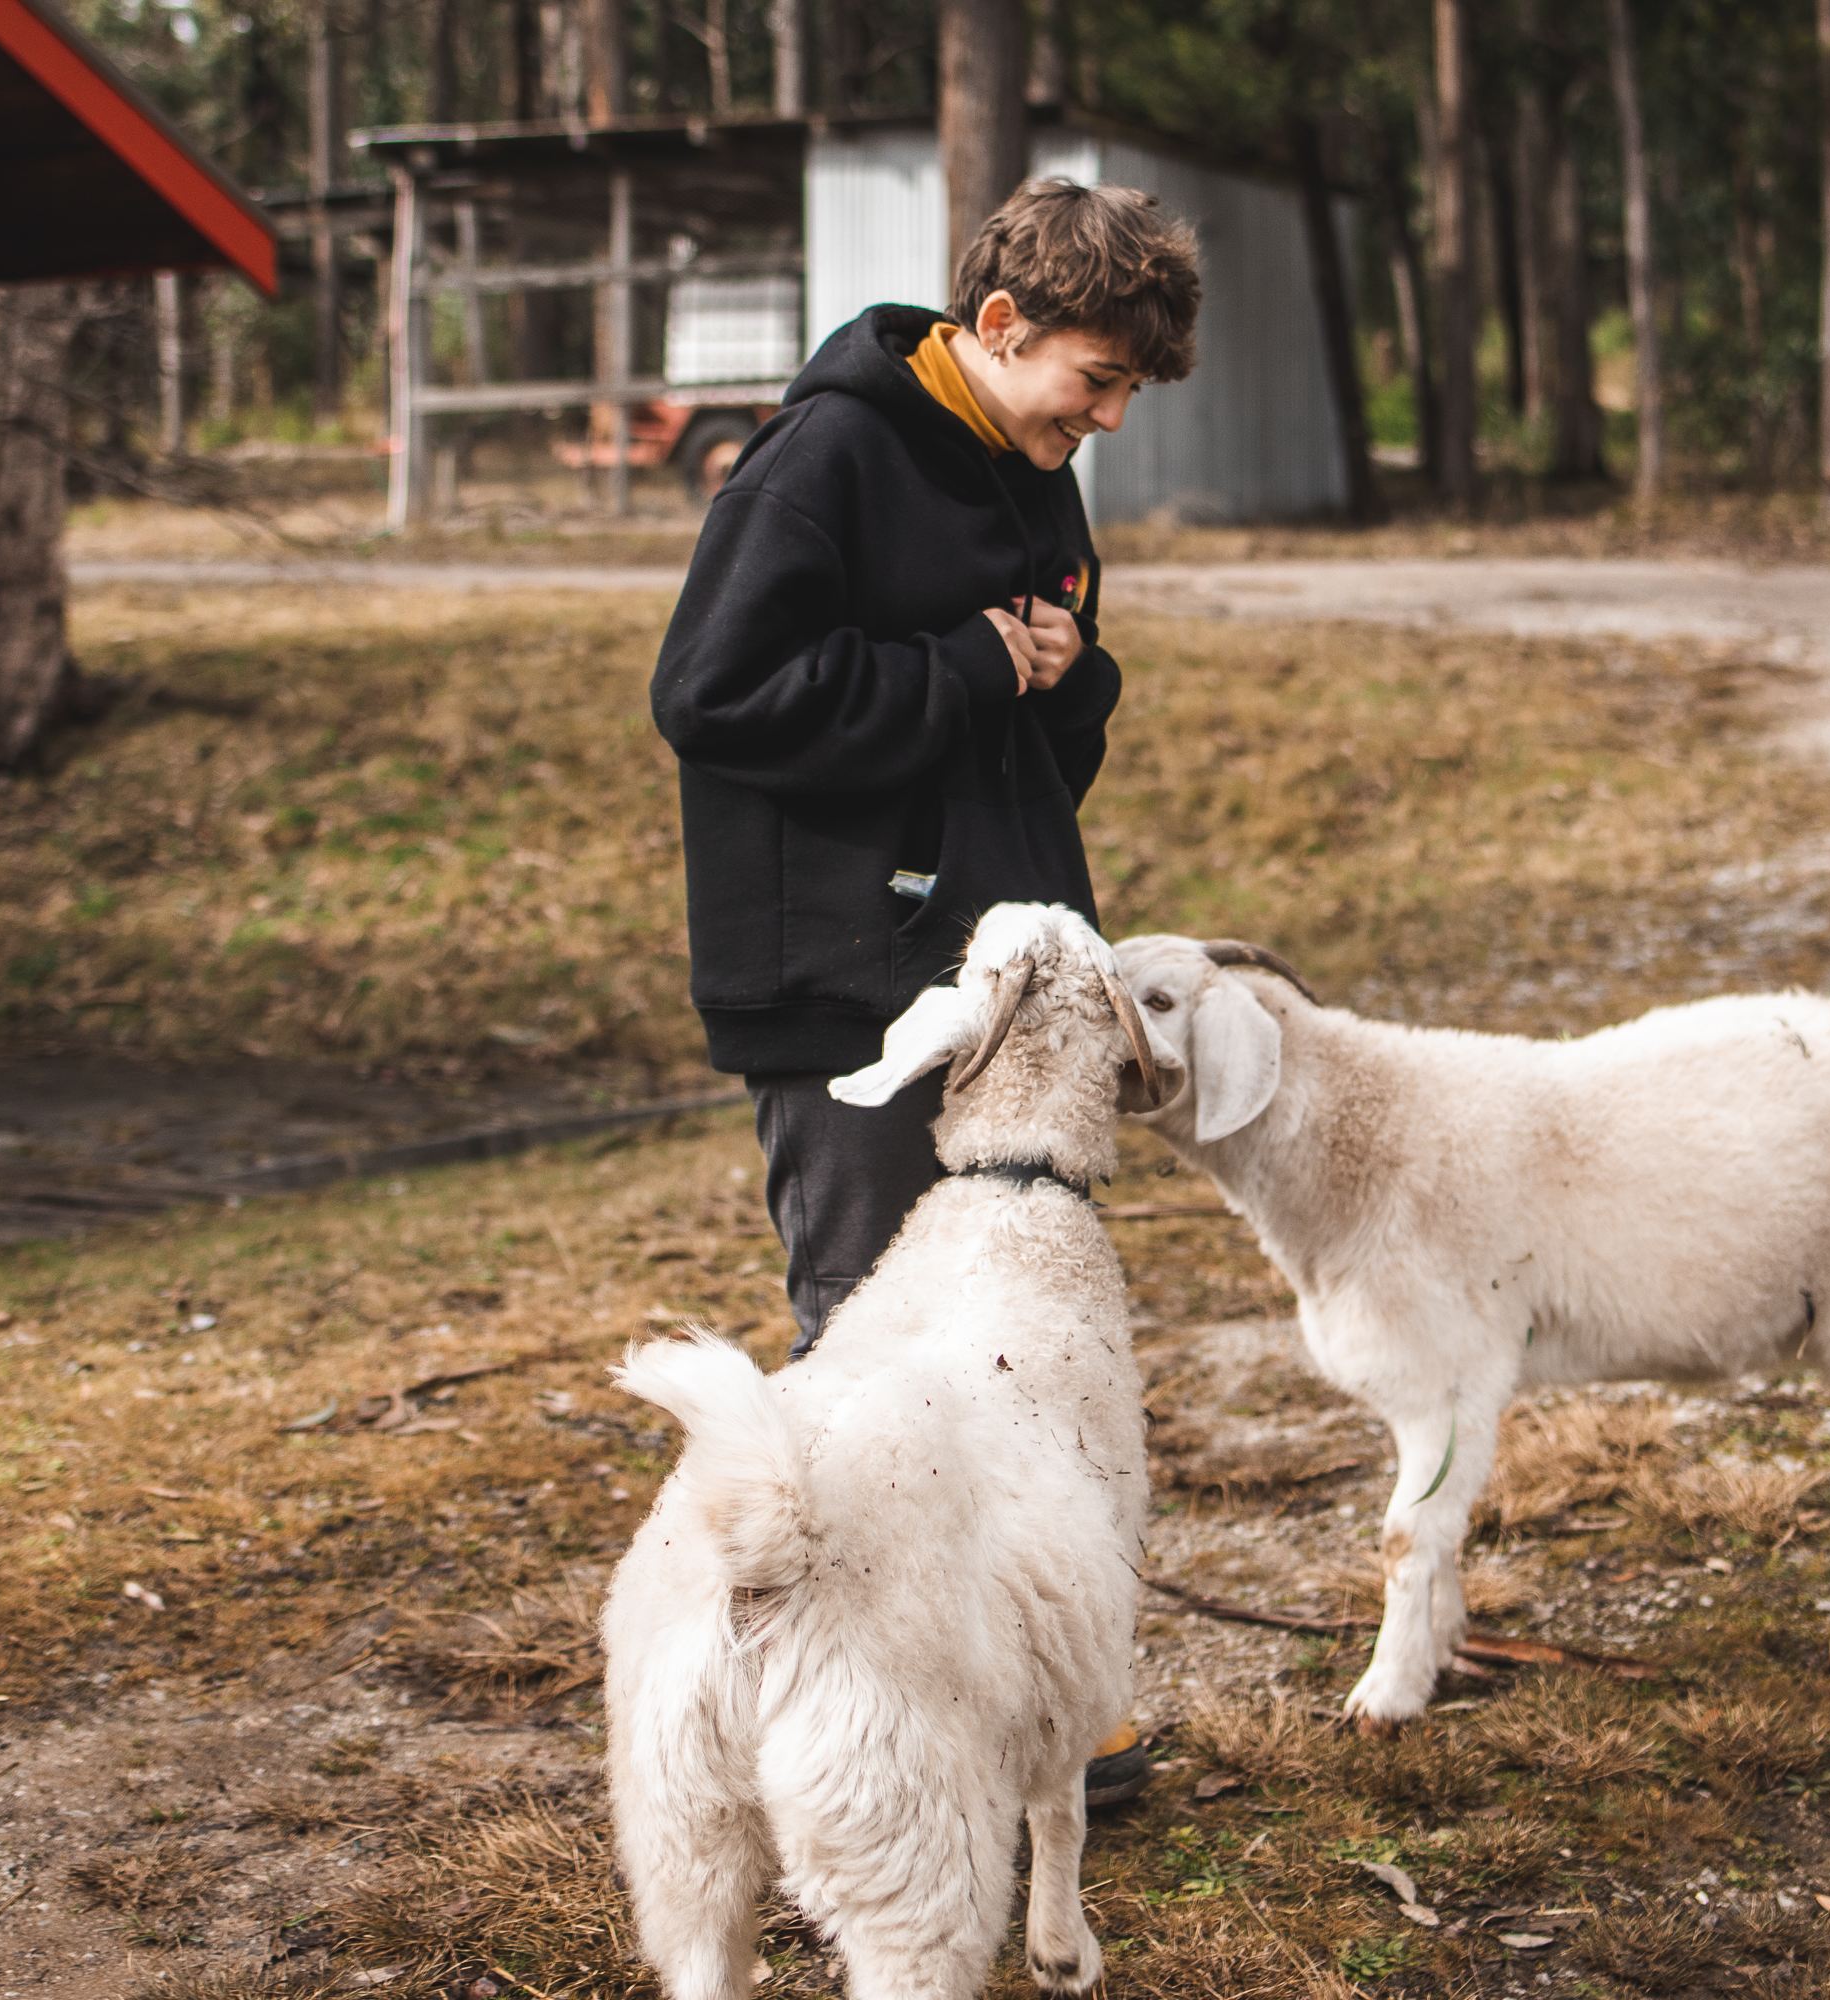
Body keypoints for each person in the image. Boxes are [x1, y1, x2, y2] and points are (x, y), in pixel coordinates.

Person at [648, 178, 1202, 1808]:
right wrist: (973, 664)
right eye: (1090, 382)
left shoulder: (1027, 464)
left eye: (1128, 397)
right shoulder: (825, 460)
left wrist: (1063, 673)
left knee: (1009, 1344)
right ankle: (868, 1730)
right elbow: (712, 691)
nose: (1100, 421)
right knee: (875, 1350)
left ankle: (1027, 1707)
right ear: (1002, 327)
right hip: (844, 990)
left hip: (995, 986)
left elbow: (1046, 714)